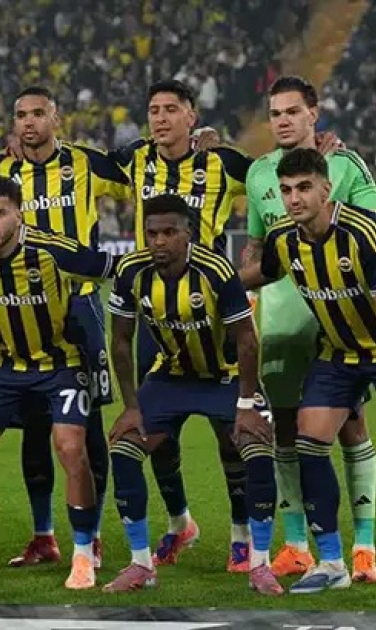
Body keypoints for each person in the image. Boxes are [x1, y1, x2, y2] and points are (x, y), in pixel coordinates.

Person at [240, 148, 376, 599]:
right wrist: (211, 281)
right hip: (340, 350)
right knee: (308, 441)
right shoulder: (283, 238)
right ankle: (330, 563)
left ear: (326, 189)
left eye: (304, 187)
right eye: (286, 190)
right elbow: (260, 274)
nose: (294, 198)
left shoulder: (364, 232)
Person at [0, 176, 117, 590]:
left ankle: (84, 554)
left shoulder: (52, 250)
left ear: (19, 213)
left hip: (62, 363)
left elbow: (110, 268)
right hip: (3, 365)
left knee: (70, 447)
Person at [110, 79, 256, 571]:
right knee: (156, 433)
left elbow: (270, 179)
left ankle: (241, 535)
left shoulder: (223, 162)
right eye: (154, 109)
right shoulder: (135, 158)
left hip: (213, 314)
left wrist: (320, 149)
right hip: (154, 314)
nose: (160, 118)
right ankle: (179, 522)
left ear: (192, 116)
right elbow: (77, 164)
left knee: (229, 433)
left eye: (171, 109)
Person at [104, 194, 280, 595]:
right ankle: (141, 564)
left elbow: (247, 340)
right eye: (152, 233)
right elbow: (120, 341)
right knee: (124, 450)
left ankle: (259, 564)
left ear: (189, 234)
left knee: (256, 450)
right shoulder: (131, 271)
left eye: (170, 232)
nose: (159, 241)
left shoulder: (215, 270)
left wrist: (246, 405)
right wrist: (131, 407)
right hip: (171, 377)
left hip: (226, 377)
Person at [0, 86, 129, 568]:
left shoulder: (86, 163)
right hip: (23, 311)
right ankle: (43, 535)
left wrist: (200, 142)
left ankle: (94, 533)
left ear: (56, 118)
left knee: (89, 425)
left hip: (80, 308)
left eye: (38, 114)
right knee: (34, 426)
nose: (29, 122)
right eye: (21, 114)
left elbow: (143, 177)